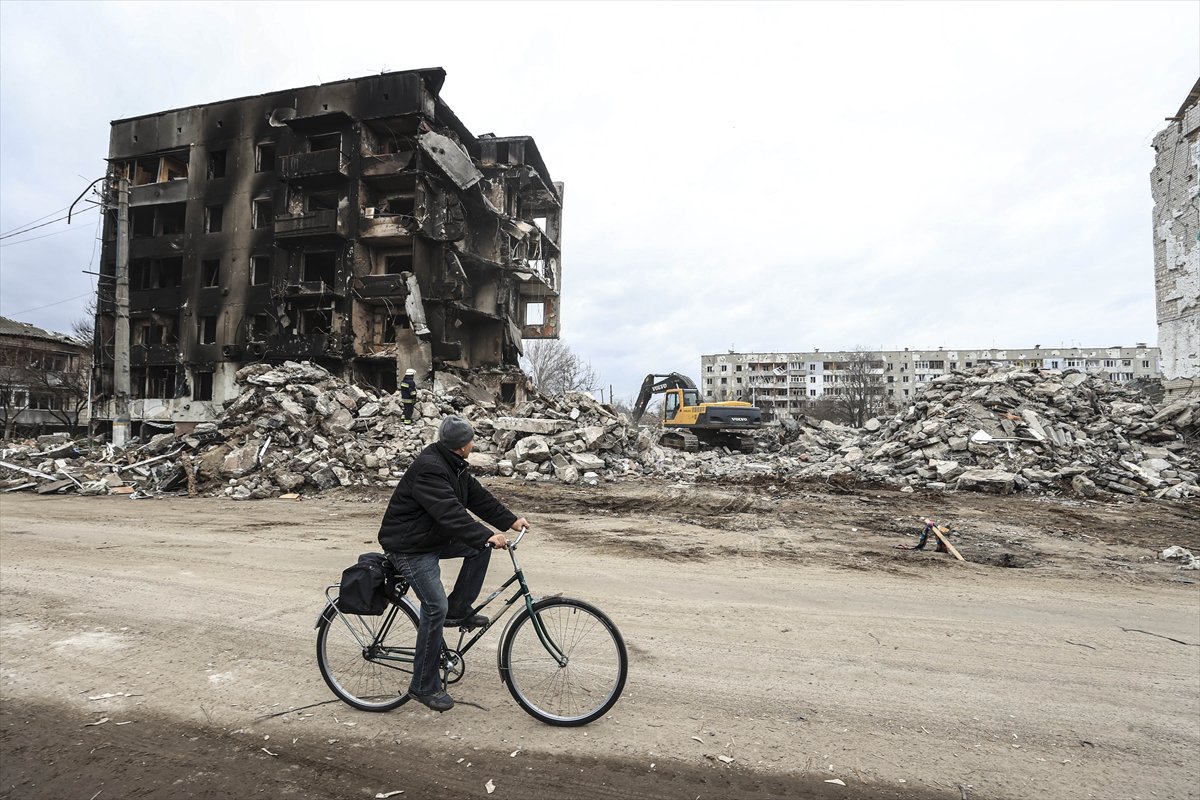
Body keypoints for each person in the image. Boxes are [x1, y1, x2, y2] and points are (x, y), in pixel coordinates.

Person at [378, 415, 528, 712]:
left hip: (429, 538)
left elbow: (477, 497)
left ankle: (459, 608)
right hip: (409, 547)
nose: (473, 443)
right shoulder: (431, 470)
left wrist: (510, 520)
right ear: (462, 446)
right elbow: (449, 513)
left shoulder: (451, 464)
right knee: (435, 607)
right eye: (471, 440)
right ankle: (422, 685)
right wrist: (487, 534)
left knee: (478, 549)